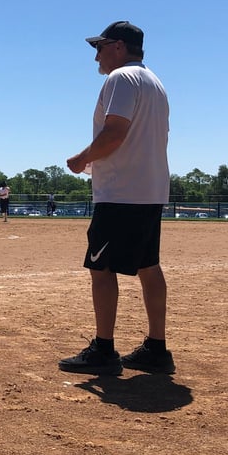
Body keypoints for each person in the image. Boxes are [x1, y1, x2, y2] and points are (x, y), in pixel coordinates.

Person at [60, 21, 175, 375]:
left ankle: (104, 349)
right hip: (149, 190)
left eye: (101, 46)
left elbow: (114, 132)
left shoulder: (121, 79)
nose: (96, 54)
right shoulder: (155, 82)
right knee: (148, 265)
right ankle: (157, 348)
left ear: (120, 47)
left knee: (101, 266)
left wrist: (82, 159)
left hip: (121, 192)